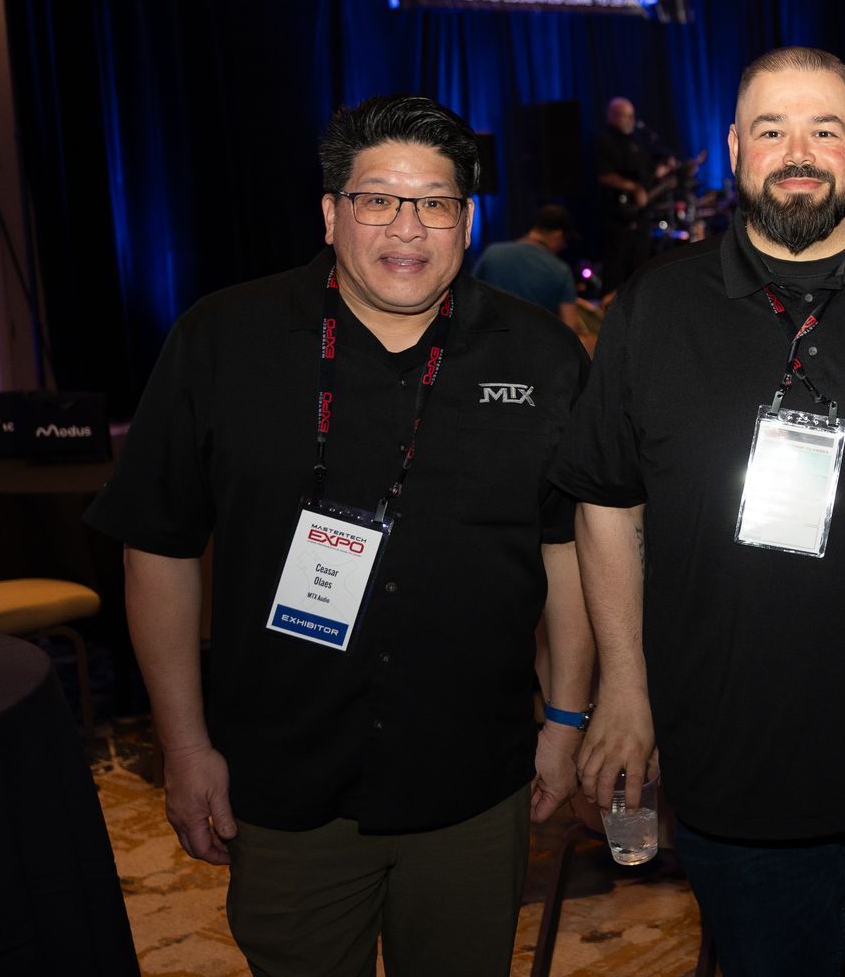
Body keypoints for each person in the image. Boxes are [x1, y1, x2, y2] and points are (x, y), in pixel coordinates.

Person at [87, 96, 593, 975]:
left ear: (467, 221)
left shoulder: (541, 357)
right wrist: (185, 745)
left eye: (435, 201)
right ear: (330, 213)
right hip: (281, 786)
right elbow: (158, 546)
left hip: (472, 782)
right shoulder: (224, 339)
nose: (409, 227)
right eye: (378, 199)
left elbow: (564, 551)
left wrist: (564, 716)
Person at [549, 47, 845, 977]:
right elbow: (605, 503)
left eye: (824, 129)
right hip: (733, 774)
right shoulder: (654, 309)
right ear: (734, 149)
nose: (797, 151)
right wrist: (626, 689)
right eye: (771, 130)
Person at [595, 95, 676, 294]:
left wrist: (663, 171)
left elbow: (646, 175)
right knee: (616, 269)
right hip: (617, 216)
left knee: (639, 267)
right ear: (613, 116)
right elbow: (604, 175)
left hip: (641, 219)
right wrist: (634, 188)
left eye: (632, 116)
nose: (631, 120)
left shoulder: (637, 144)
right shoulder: (605, 142)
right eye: (625, 116)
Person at [472, 203, 581, 331]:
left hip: (491, 343)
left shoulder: (492, 253)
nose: (564, 246)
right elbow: (570, 327)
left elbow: (470, 297)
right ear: (557, 235)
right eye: (565, 241)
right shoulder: (561, 270)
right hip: (538, 346)